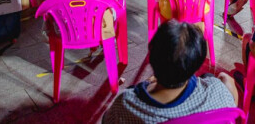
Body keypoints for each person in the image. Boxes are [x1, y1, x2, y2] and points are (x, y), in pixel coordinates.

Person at [102, 20, 238, 124]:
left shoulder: (125, 104)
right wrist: (223, 79)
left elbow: (107, 119)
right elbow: (232, 104)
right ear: (196, 64)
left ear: (151, 57)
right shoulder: (216, 93)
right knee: (213, 78)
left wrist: (147, 83)